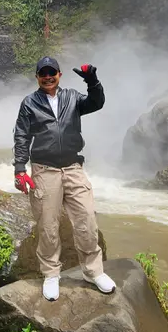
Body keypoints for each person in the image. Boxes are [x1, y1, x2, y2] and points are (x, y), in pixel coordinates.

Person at [12, 56, 116, 301]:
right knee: (48, 225)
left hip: (73, 167)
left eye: (52, 73)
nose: (48, 77)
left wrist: (92, 80)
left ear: (60, 74)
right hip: (44, 170)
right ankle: (51, 274)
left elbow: (96, 102)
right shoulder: (29, 103)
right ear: (37, 77)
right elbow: (21, 135)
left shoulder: (72, 98)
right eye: (43, 73)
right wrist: (19, 168)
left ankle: (93, 272)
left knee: (87, 218)